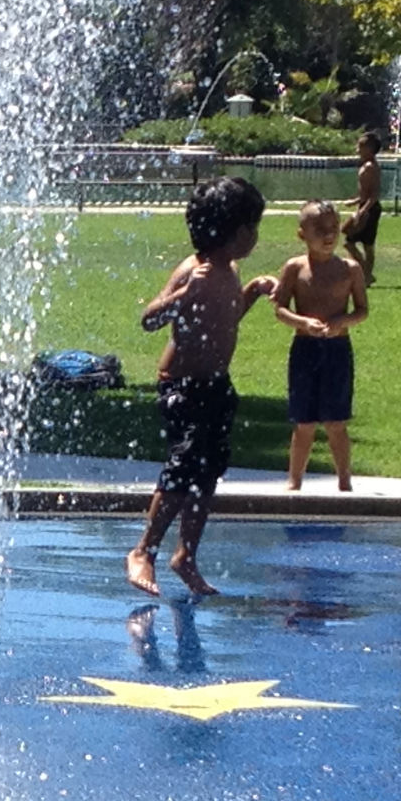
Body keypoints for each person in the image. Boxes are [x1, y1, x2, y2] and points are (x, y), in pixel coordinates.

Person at [125, 177, 276, 599]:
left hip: (215, 387)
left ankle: (185, 556)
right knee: (182, 469)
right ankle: (143, 552)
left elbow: (225, 320)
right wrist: (182, 296)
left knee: (206, 475)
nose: (256, 236)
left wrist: (252, 293)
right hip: (182, 389)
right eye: (254, 227)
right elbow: (150, 319)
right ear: (238, 231)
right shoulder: (194, 271)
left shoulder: (230, 272)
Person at [273, 199, 366, 492]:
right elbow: (279, 308)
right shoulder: (295, 268)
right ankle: (294, 479)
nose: (329, 235)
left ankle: (344, 480)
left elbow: (362, 310)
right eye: (320, 229)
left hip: (337, 350)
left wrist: (343, 321)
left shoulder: (350, 269)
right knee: (304, 422)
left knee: (336, 420)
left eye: (334, 228)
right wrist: (303, 323)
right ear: (302, 233)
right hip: (305, 349)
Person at [342, 133, 382, 285]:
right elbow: (366, 193)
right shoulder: (366, 165)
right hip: (365, 206)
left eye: (360, 146)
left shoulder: (371, 167)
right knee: (356, 241)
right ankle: (366, 275)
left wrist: (363, 210)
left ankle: (366, 274)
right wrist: (355, 202)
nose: (357, 149)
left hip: (370, 209)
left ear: (369, 149)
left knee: (358, 243)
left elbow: (375, 194)